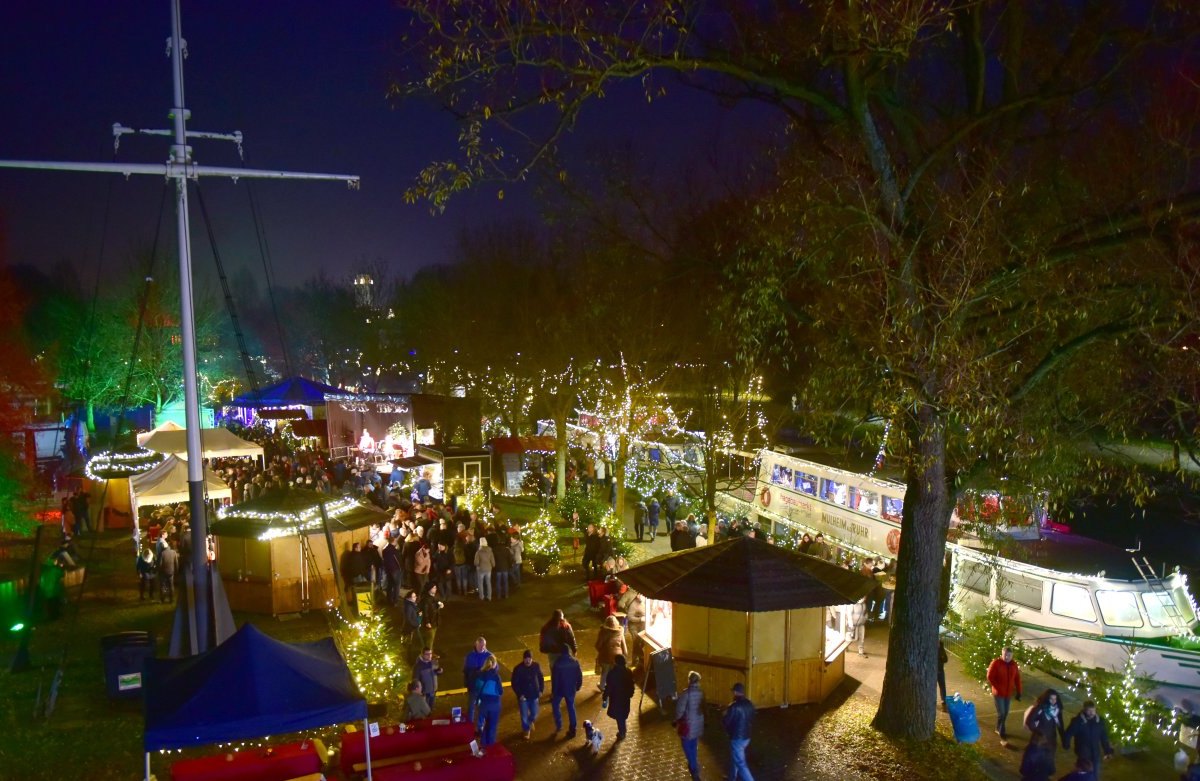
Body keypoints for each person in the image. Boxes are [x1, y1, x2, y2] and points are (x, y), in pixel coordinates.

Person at [1063, 701, 1113, 778]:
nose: (1091, 713)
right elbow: (1068, 733)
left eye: (1093, 710)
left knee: (1095, 774)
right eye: (1089, 711)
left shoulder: (1100, 722)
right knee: (1083, 773)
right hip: (1083, 753)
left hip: (1095, 753)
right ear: (1084, 710)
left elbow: (1104, 737)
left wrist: (1107, 751)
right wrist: (1066, 744)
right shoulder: (1077, 721)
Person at [987, 646, 1023, 746]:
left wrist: (1019, 692)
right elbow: (990, 676)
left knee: (1005, 713)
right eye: (1005, 655)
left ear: (1012, 656)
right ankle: (1002, 733)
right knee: (1002, 713)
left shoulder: (1014, 665)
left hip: (1008, 693)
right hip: (998, 693)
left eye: (1009, 655)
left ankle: (998, 728)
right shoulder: (996, 663)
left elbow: (1017, 679)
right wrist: (997, 687)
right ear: (1002, 654)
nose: (1007, 657)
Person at [722, 681, 756, 781]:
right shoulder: (749, 704)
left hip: (737, 737)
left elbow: (726, 722)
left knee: (740, 763)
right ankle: (731, 777)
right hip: (747, 736)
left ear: (736, 692)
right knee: (735, 757)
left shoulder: (733, 706)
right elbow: (752, 718)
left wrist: (724, 715)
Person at [675, 670, 705, 781]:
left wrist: (677, 720)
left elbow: (679, 710)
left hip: (688, 725)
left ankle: (694, 768)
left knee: (686, 745)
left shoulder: (686, 694)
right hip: (698, 724)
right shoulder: (701, 693)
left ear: (689, 680)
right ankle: (694, 763)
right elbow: (704, 709)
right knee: (693, 745)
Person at [510, 649, 545, 739]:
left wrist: (541, 690)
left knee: (534, 713)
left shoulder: (536, 666)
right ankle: (526, 730)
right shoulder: (518, 669)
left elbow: (541, 678)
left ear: (532, 659)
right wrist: (519, 694)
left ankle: (529, 722)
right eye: (526, 658)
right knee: (524, 716)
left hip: (534, 695)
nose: (528, 660)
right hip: (523, 697)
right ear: (523, 659)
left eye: (529, 658)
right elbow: (514, 683)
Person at [594, 614, 627, 707]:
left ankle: (602, 686)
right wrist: (624, 655)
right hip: (618, 655)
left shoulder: (603, 632)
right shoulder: (620, 631)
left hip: (606, 654)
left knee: (605, 671)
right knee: (615, 672)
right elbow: (624, 645)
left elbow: (598, 645)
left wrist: (601, 651)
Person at [551, 644, 583, 739]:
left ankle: (559, 724)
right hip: (571, 689)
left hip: (560, 689)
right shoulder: (575, 662)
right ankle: (573, 728)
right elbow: (579, 676)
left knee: (555, 705)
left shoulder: (558, 663)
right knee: (571, 707)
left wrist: (554, 691)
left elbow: (555, 679)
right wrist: (578, 686)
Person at [471, 654, 503, 746]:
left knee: (487, 724)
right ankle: (490, 748)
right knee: (492, 726)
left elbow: (477, 688)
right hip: (494, 704)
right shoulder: (496, 677)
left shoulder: (480, 675)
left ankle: (483, 744)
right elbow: (500, 691)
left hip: (483, 705)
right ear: (494, 664)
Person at [462, 637, 491, 726]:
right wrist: (467, 683)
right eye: (480, 645)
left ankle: (480, 726)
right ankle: (470, 726)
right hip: (473, 686)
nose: (482, 647)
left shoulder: (489, 656)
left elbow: (495, 668)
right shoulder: (469, 656)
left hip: (484, 687)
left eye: (484, 645)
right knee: (471, 707)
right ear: (476, 645)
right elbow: (465, 670)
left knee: (482, 707)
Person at [605, 654, 635, 739]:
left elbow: (609, 687)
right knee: (623, 714)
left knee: (619, 716)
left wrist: (605, 698)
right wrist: (631, 693)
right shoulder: (628, 671)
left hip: (616, 698)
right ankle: (623, 730)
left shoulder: (612, 673)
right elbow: (631, 684)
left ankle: (622, 732)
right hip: (625, 697)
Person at [419, 582, 443, 651]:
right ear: (429, 589)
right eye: (434, 588)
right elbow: (425, 612)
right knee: (429, 640)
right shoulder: (426, 600)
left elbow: (438, 603)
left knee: (431, 639)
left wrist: (440, 605)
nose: (436, 589)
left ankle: (430, 653)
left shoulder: (435, 596)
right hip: (430, 622)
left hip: (435, 621)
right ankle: (428, 655)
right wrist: (427, 622)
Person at [157, 539, 178, 603]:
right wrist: (176, 570)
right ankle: (171, 599)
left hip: (163, 572)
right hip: (171, 571)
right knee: (171, 585)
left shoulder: (162, 553)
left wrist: (159, 571)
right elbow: (176, 563)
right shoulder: (173, 552)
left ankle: (163, 599)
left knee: (163, 586)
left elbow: (160, 564)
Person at [937, 639, 950, 709]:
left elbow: (945, 659)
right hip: (934, 670)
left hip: (940, 670)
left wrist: (942, 657)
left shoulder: (941, 648)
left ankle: (943, 702)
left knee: (942, 686)